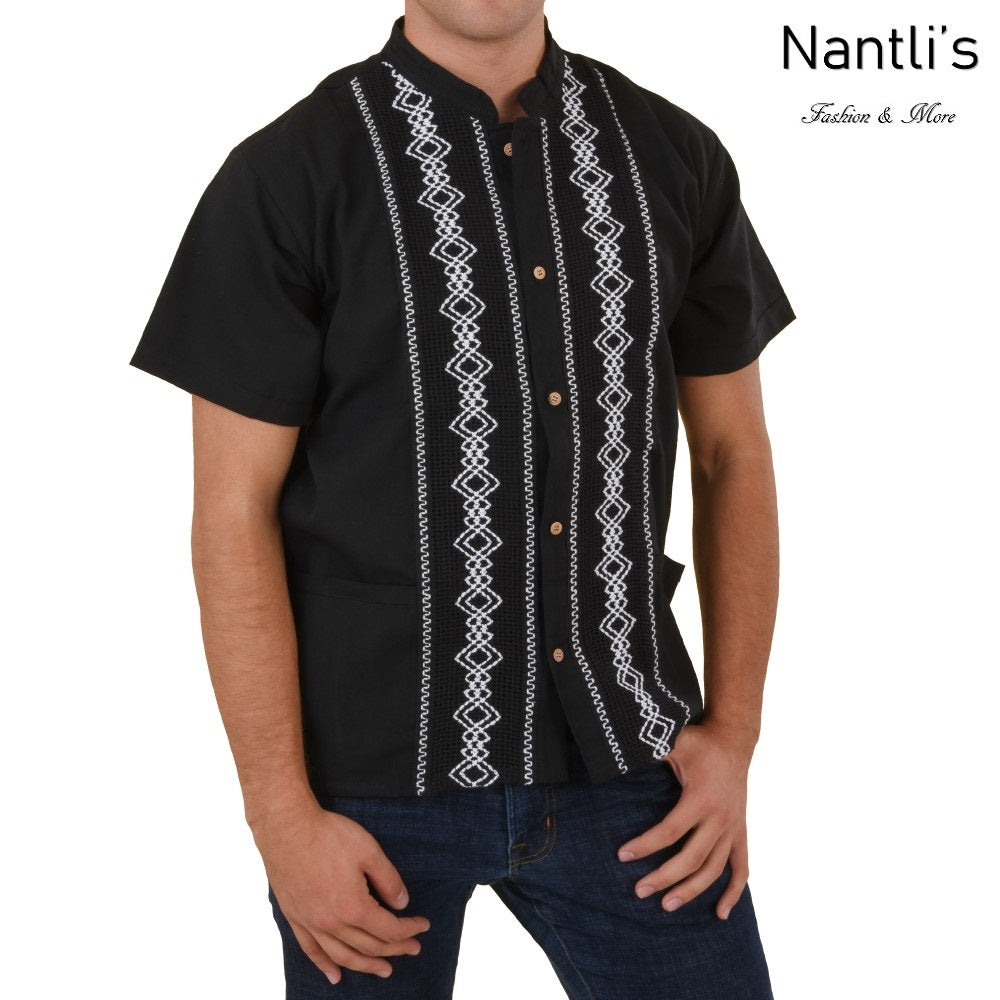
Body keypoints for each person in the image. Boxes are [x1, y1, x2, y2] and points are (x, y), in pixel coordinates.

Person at [129, 2, 795, 996]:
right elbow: (232, 515)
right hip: (364, 792)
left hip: (635, 772)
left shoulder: (672, 153)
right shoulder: (289, 174)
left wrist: (733, 734)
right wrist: (280, 815)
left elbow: (732, 456)